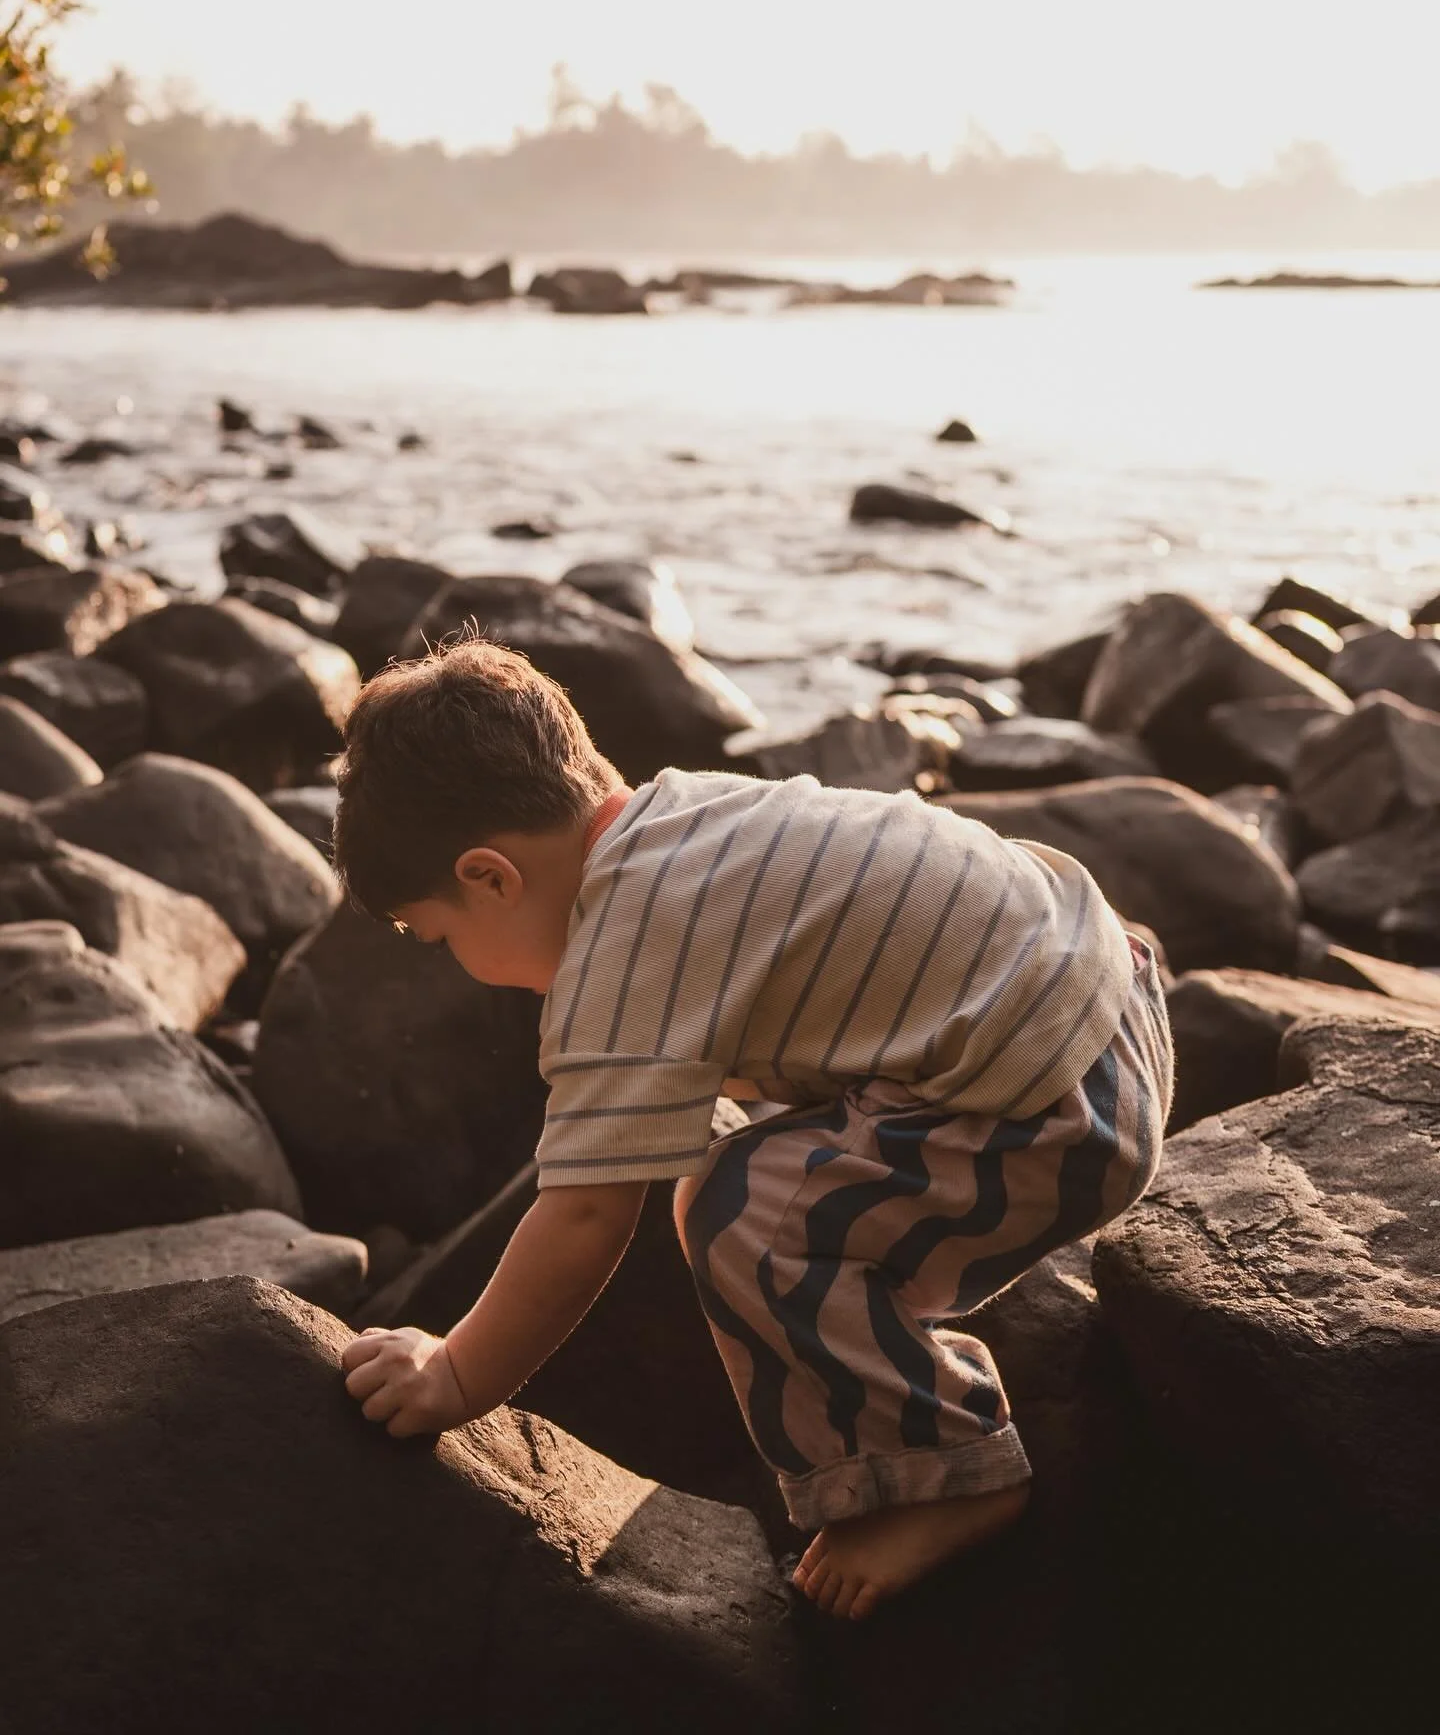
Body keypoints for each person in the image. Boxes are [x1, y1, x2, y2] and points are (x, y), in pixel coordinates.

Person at [333, 638, 1172, 1622]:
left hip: (1055, 1111)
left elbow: (586, 1219)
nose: (459, 966)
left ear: (489, 878)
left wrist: (456, 1375)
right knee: (754, 1155)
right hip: (1107, 987)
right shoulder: (690, 816)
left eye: (441, 939)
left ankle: (949, 1465)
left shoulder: (624, 944)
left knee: (743, 1217)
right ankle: (890, 1345)